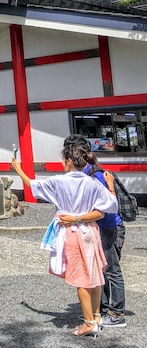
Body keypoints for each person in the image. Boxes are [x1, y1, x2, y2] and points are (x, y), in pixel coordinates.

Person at [11, 144, 117, 337]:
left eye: (63, 160)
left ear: (68, 161)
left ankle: (88, 323)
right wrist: (110, 185)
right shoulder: (93, 182)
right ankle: (96, 316)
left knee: (81, 279)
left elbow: (32, 184)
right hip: (91, 231)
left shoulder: (59, 181)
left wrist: (18, 168)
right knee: (94, 276)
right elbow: (108, 208)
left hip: (73, 232)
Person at [65, 134, 126, 328]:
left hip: (108, 227)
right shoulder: (85, 173)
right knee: (101, 269)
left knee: (111, 270)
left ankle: (116, 314)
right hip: (99, 228)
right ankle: (102, 308)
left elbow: (106, 208)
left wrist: (77, 218)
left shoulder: (96, 175)